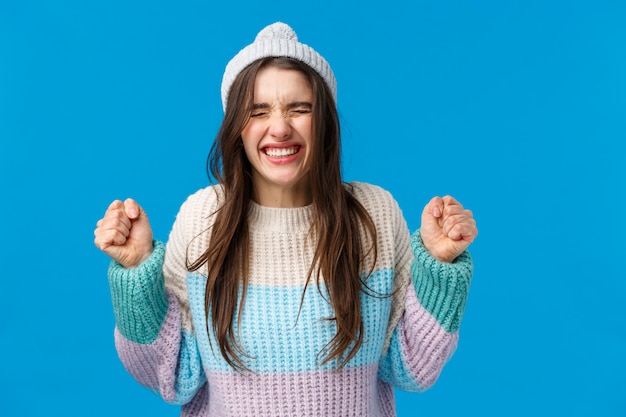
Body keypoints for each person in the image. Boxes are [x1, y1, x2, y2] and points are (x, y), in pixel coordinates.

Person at [94, 22, 478, 417]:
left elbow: (412, 368)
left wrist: (440, 267)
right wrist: (138, 272)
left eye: (300, 109)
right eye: (258, 111)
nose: (279, 128)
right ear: (236, 128)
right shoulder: (202, 218)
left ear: (324, 120)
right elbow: (171, 375)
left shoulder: (374, 215)